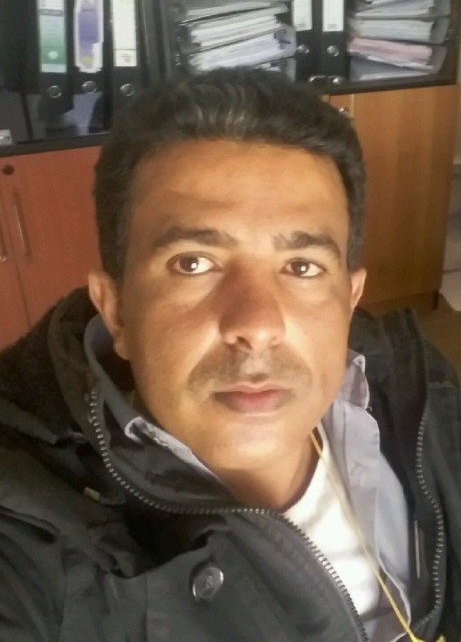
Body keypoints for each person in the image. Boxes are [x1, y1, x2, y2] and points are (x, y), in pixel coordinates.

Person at [0, 68, 460, 642]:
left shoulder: (417, 386)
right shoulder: (31, 531)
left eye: (301, 267)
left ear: (350, 298)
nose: (257, 326)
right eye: (193, 263)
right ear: (115, 309)